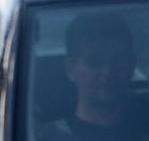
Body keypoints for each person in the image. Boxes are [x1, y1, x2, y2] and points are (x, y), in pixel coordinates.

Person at [41, 11, 147, 140]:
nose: (108, 72)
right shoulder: (44, 137)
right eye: (95, 62)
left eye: (118, 61)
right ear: (70, 69)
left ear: (131, 66)